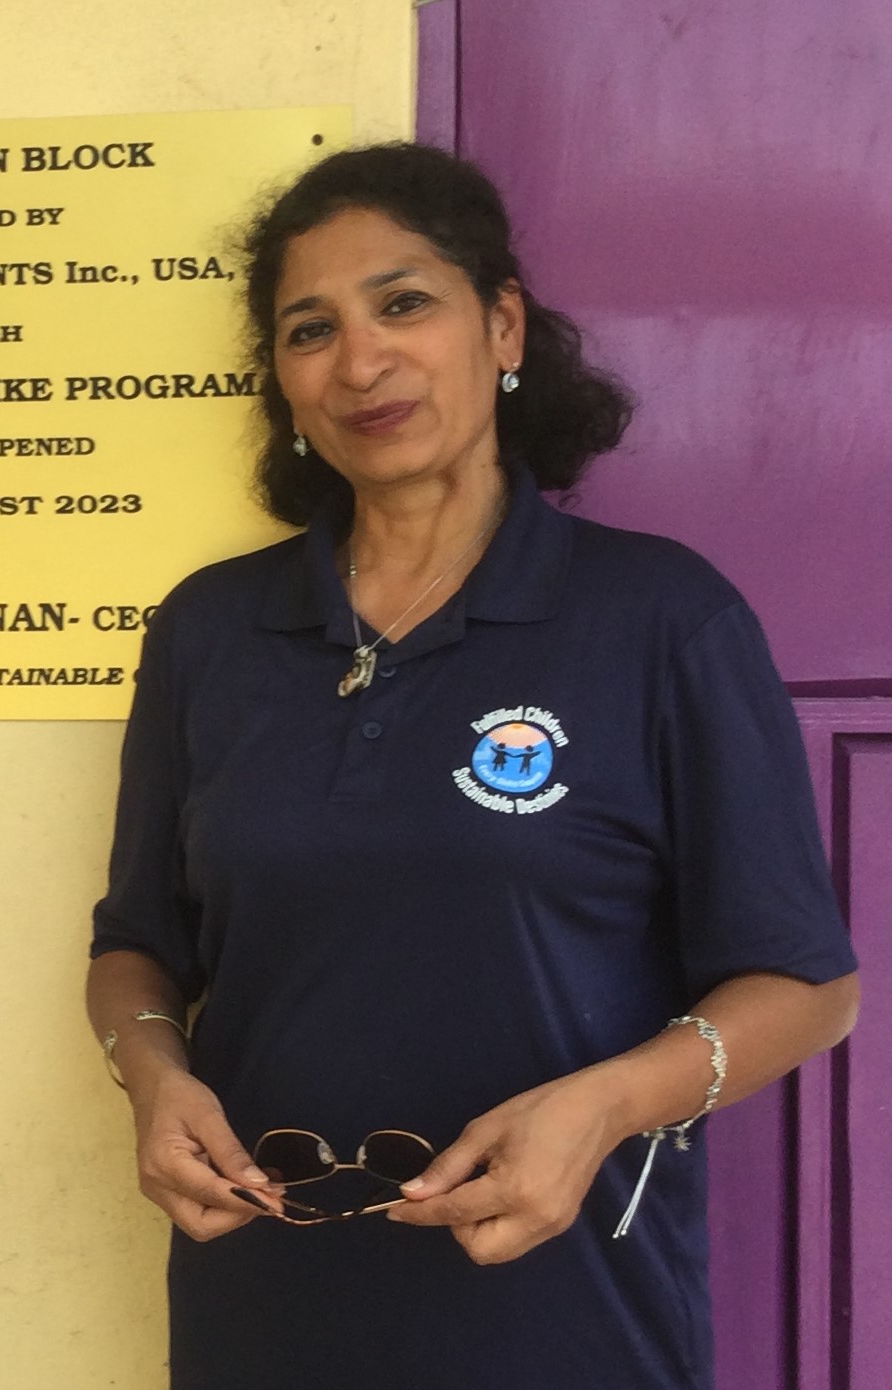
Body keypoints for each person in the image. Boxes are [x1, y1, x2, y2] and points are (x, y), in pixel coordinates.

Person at [85, 143, 858, 1389]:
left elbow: (807, 986)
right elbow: (134, 942)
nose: (360, 361)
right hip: (265, 1305)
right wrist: (150, 1075)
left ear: (501, 325)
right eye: (308, 329)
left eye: (403, 303)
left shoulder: (658, 617)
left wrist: (602, 1106)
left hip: (566, 1309)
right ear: (280, 381)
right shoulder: (209, 631)